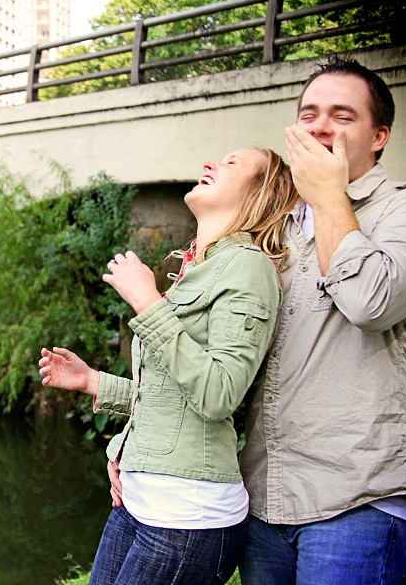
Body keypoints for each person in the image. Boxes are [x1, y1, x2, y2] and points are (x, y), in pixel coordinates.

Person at [39, 148, 298, 585]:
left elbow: (218, 395)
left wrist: (147, 301)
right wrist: (91, 381)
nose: (212, 163)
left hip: (188, 518)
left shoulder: (249, 267)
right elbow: (172, 395)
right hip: (140, 504)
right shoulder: (198, 269)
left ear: (260, 194)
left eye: (233, 163)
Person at [237, 57, 406, 585]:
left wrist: (328, 192)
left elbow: (368, 301)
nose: (320, 126)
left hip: (359, 499)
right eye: (308, 114)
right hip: (263, 499)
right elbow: (224, 357)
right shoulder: (275, 227)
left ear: (380, 136)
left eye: (342, 115)